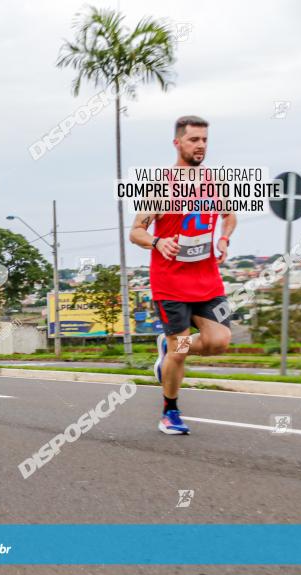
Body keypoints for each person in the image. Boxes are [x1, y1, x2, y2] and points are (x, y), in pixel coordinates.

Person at [129, 115, 236, 435]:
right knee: (180, 351)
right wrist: (158, 242)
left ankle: (168, 346)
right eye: (194, 140)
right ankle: (169, 412)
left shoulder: (214, 182)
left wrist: (224, 237)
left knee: (220, 340)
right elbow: (136, 232)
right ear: (178, 143)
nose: (200, 145)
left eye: (204, 140)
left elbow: (229, 216)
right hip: (171, 282)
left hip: (208, 280)